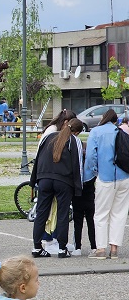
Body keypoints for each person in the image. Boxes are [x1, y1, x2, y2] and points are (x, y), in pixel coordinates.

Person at [29, 118, 83, 258]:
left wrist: (34, 180)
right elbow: (77, 165)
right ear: (77, 131)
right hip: (63, 181)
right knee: (62, 214)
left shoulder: (48, 137)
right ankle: (62, 248)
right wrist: (78, 188)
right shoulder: (73, 140)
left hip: (44, 178)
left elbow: (38, 158)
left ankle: (36, 247)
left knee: (41, 212)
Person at [83, 109, 129, 259]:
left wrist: (94, 172)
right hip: (124, 177)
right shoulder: (121, 132)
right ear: (115, 120)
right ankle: (114, 249)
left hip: (105, 177)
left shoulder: (96, 132)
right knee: (119, 214)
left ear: (103, 118)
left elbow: (90, 156)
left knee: (101, 214)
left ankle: (101, 249)